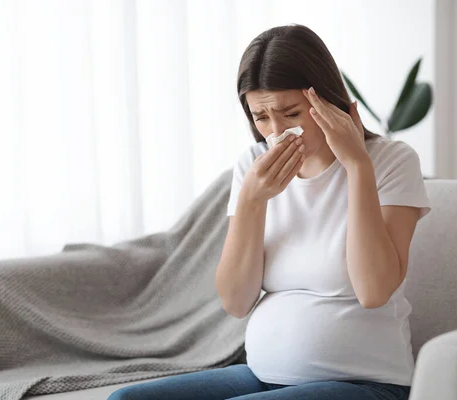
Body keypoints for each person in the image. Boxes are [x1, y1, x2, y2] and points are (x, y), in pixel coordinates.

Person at [107, 24, 431, 400]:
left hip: (365, 383)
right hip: (263, 377)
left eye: (290, 113)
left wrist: (357, 165)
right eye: (261, 118)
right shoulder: (253, 165)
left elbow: (374, 291)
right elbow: (236, 302)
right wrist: (251, 201)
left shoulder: (390, 161)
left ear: (327, 100)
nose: (277, 133)